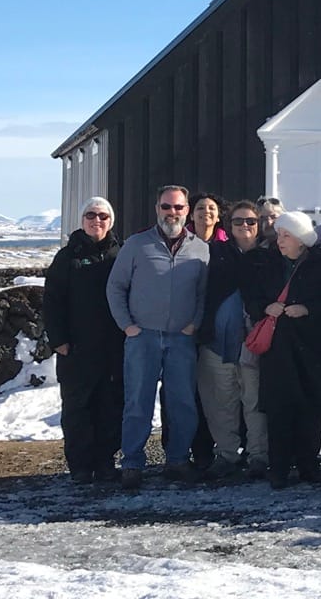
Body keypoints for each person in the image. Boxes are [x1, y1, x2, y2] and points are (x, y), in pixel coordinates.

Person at [106, 185, 210, 490]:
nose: (172, 213)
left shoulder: (200, 248)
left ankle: (177, 459)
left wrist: (195, 323)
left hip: (181, 338)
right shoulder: (137, 245)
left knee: (182, 403)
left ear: (187, 211)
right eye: (166, 207)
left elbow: (203, 294)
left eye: (178, 207)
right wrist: (127, 326)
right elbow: (115, 287)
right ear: (157, 209)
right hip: (143, 337)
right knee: (138, 402)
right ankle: (132, 463)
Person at [242, 211, 321, 489]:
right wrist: (265, 308)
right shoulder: (268, 263)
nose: (280, 240)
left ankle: (308, 465)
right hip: (278, 350)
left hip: (313, 349)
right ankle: (278, 468)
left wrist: (308, 310)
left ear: (301, 239)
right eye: (279, 234)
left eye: (286, 235)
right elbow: (251, 297)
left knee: (310, 410)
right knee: (278, 411)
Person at [43, 197, 125, 483]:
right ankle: (79, 465)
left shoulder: (121, 253)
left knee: (110, 405)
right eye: (91, 215)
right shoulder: (67, 257)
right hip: (76, 348)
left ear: (110, 220)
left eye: (103, 215)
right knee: (78, 408)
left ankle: (105, 462)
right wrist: (58, 340)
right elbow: (52, 301)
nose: (97, 220)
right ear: (82, 220)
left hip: (113, 347)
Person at [197, 200, 271, 481]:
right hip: (216, 340)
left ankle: (258, 456)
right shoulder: (213, 254)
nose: (245, 226)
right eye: (238, 222)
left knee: (254, 401)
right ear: (228, 226)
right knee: (220, 401)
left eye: (251, 221)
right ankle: (226, 454)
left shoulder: (269, 257)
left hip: (255, 341)